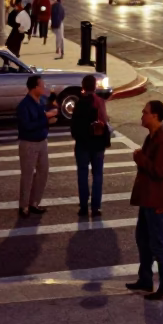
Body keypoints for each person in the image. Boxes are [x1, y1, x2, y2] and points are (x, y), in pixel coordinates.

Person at [126, 100, 163, 300]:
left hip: (156, 200)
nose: (142, 115)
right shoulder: (151, 138)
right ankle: (146, 280)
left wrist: (140, 159)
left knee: (157, 244)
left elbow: (160, 171)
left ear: (155, 116)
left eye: (145, 112)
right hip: (147, 198)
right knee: (143, 240)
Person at [16, 74, 58, 218]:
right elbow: (26, 126)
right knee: (27, 175)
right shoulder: (24, 106)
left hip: (42, 141)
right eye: (41, 85)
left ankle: (34, 203)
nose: (43, 87)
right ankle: (24, 206)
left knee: (43, 172)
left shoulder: (42, 101)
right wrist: (46, 119)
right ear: (34, 87)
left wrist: (53, 103)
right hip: (28, 143)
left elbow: (51, 108)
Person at [71, 74, 110, 217]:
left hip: (82, 144)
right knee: (97, 175)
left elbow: (74, 127)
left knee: (82, 174)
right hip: (98, 144)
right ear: (95, 87)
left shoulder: (79, 103)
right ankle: (95, 207)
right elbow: (105, 122)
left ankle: (83, 206)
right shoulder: (100, 102)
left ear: (83, 87)